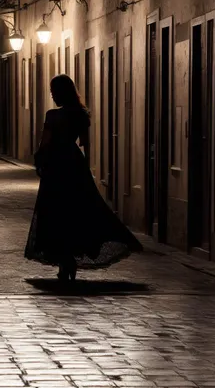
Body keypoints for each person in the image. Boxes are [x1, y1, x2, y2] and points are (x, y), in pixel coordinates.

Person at [25, 74, 143, 281]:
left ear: (61, 92)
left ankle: (64, 261)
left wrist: (39, 161)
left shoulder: (52, 116)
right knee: (79, 211)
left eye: (54, 91)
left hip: (55, 166)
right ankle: (70, 258)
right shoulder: (81, 115)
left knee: (55, 212)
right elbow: (84, 144)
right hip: (74, 164)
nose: (52, 95)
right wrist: (84, 170)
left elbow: (45, 143)